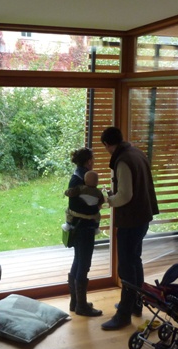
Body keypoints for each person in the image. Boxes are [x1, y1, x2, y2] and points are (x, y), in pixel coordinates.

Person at [99, 126, 159, 330]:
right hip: (142, 217)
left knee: (126, 267)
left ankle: (123, 314)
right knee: (135, 261)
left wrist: (107, 199)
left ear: (107, 144)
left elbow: (125, 195)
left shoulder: (123, 160)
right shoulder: (137, 153)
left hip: (131, 220)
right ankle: (136, 304)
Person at [63, 148, 103, 317]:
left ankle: (75, 302)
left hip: (77, 227)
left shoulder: (78, 177)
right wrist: (96, 208)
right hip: (84, 228)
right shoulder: (81, 180)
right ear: (88, 161)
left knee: (78, 261)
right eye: (93, 159)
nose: (94, 162)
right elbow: (79, 206)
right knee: (84, 264)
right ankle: (81, 306)